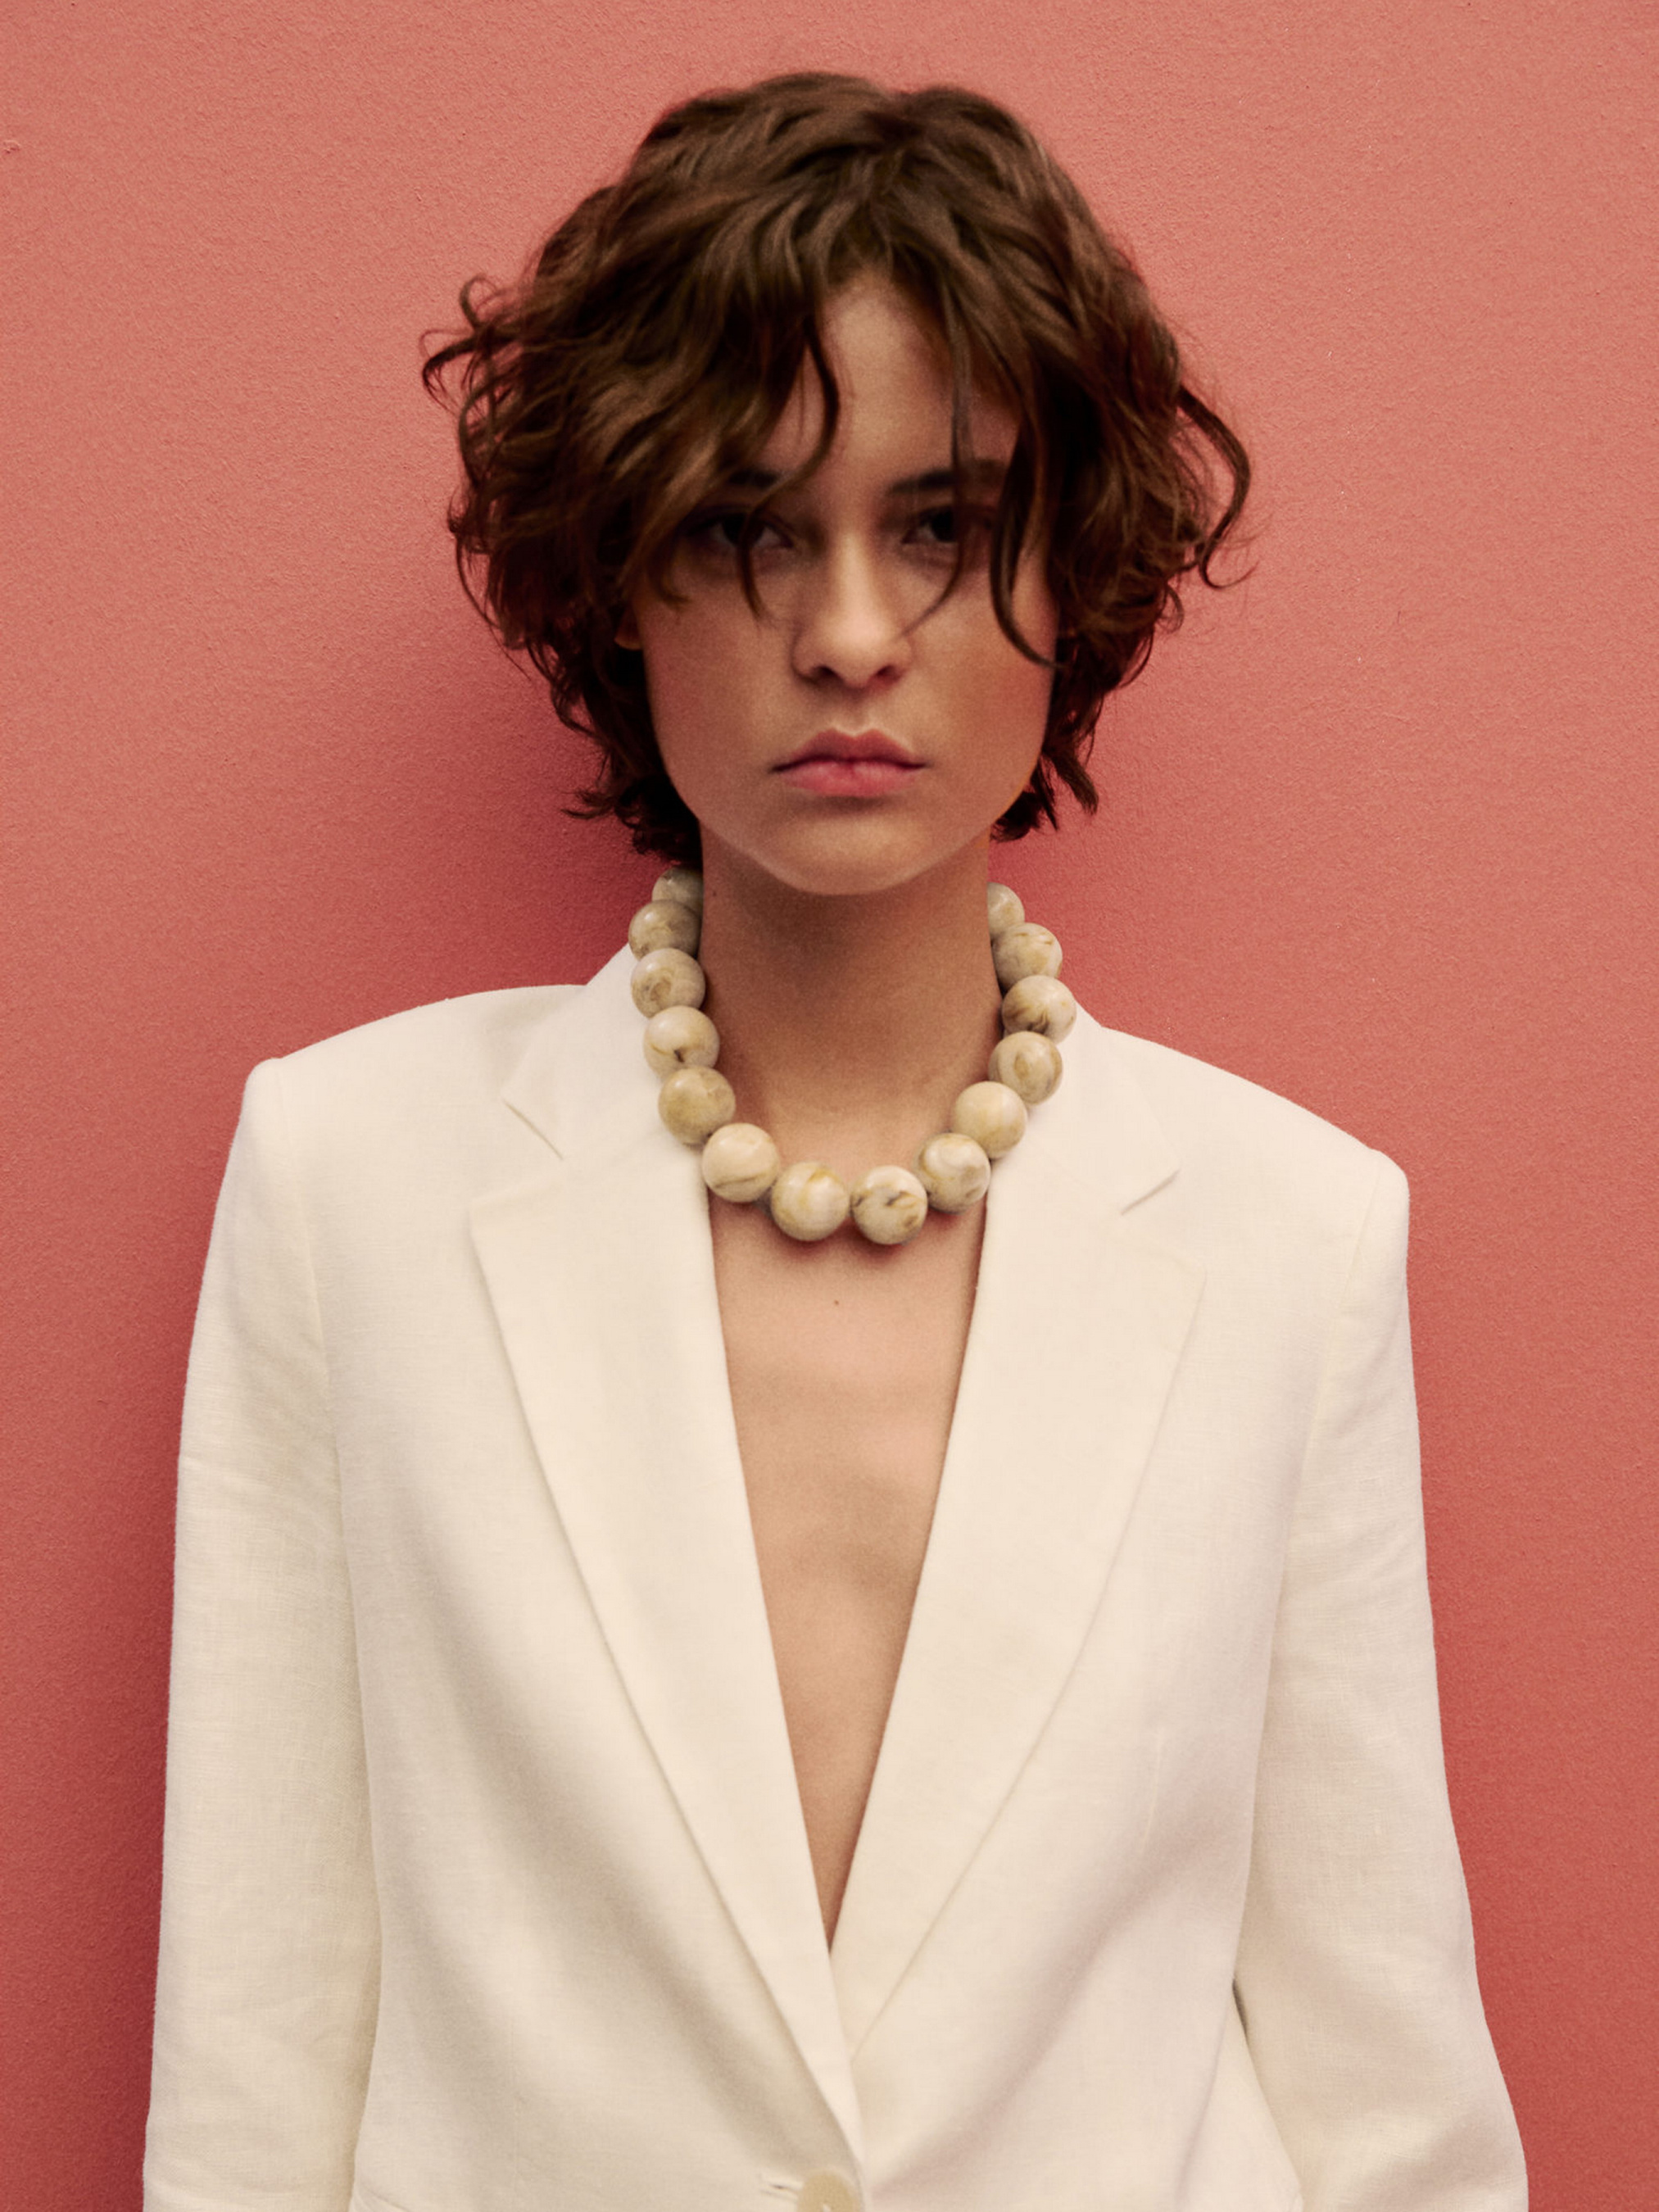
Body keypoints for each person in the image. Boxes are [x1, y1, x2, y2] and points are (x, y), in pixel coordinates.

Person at [143, 71, 1526, 2212]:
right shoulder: (348, 1181)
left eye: (943, 527)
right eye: (747, 526)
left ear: (1072, 575)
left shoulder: (1294, 1236)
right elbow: (256, 2054)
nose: (852, 633)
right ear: (617, 574)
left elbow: (1386, 2099)